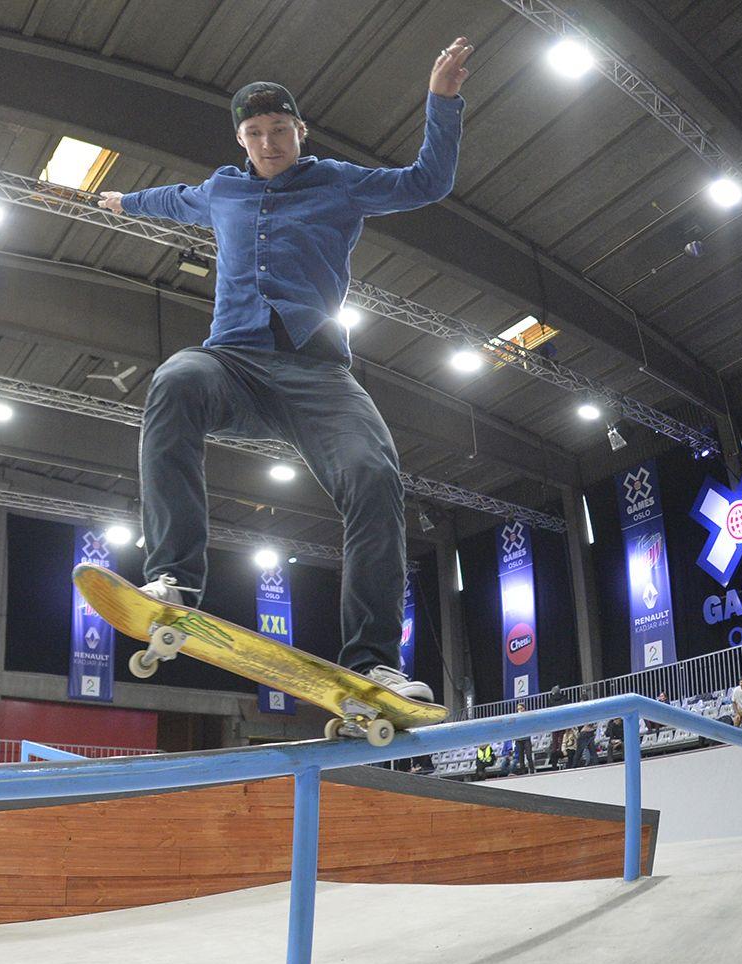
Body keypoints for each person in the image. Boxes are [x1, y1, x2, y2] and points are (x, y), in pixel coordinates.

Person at [99, 41, 475, 707]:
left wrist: (442, 102)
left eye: (279, 131)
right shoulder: (223, 189)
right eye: (255, 134)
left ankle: (374, 661)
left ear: (300, 131)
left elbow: (427, 182)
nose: (268, 145)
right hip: (233, 363)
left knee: (373, 476)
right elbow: (175, 199)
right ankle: (175, 580)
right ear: (240, 139)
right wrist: (125, 202)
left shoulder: (338, 181)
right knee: (175, 380)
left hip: (318, 373)